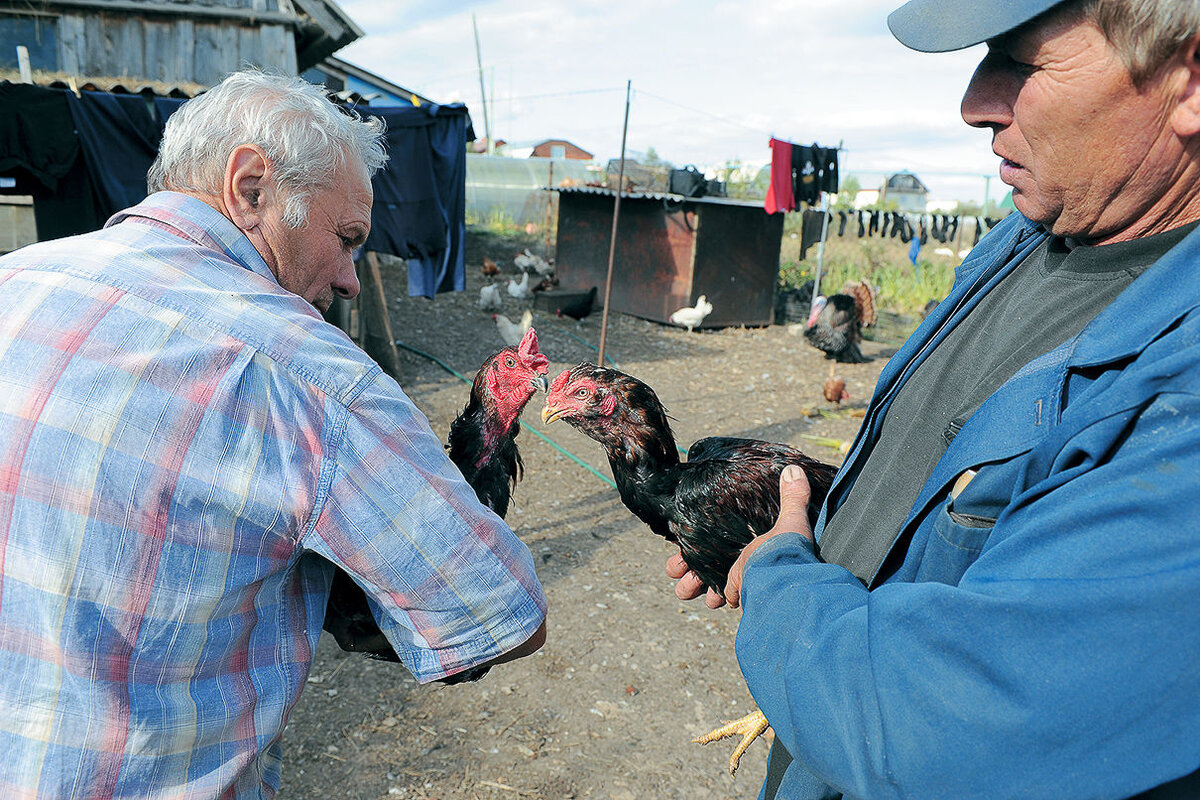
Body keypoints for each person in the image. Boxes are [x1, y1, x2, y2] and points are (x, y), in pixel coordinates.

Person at [669, 0, 1200, 797]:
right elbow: (944, 460)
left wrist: (780, 579)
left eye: (1020, 60)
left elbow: (941, 724)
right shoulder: (1028, 236)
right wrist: (809, 522)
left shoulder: (1179, 400)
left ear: (1189, 86)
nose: (973, 102)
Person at [0, 70, 547, 798]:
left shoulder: (17, 279)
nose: (352, 278)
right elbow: (501, 612)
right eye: (347, 238)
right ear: (252, 188)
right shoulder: (306, 373)